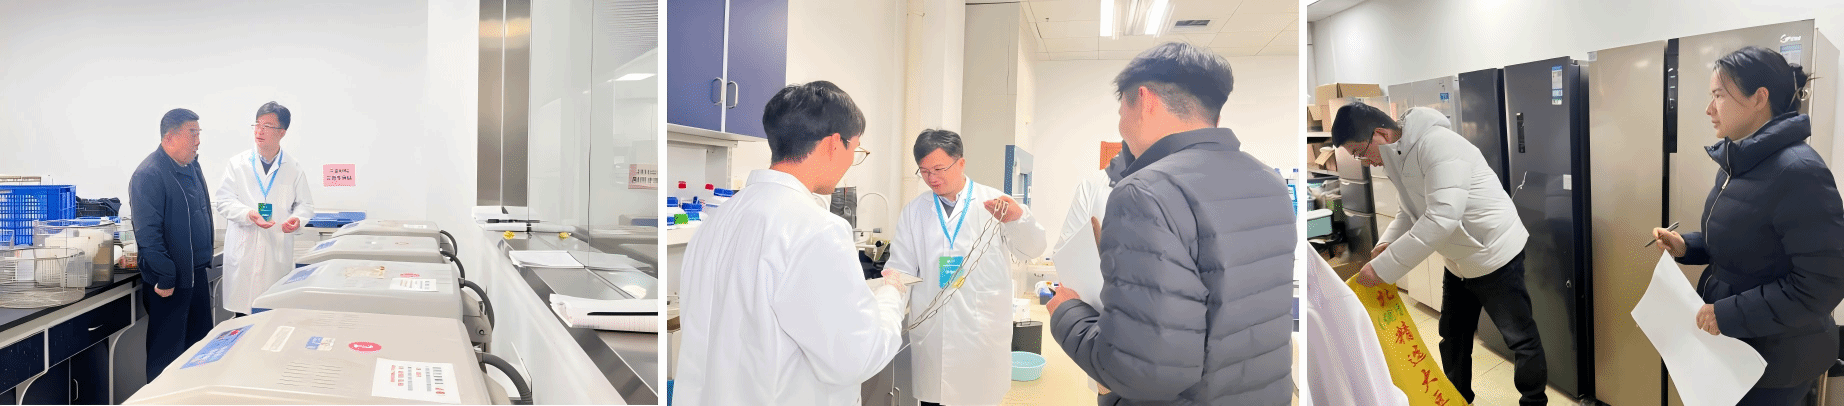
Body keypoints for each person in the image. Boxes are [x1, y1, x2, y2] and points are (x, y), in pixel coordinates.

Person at [1045, 41, 1295, 404]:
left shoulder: (1143, 192)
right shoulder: (1270, 182)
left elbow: (1141, 372)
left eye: (1121, 110)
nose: (1121, 125)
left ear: (1144, 100)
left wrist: (1066, 313)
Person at [675, 81, 908, 405]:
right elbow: (858, 356)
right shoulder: (819, 229)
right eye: (855, 150)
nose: (849, 163)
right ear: (833, 144)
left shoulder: (717, 221)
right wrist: (891, 296)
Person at [1651, 46, 1844, 405]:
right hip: (1737, 346)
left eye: (1719, 95)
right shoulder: (1740, 162)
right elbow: (1745, 244)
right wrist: (1686, 246)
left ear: (1759, 98)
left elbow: (1821, 285)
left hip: (1775, 363)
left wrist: (1727, 313)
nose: (1709, 109)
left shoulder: (1800, 171)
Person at [1329, 101, 1545, 405]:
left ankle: (1534, 402)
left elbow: (1442, 217)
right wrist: (1385, 245)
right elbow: (1409, 210)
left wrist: (1383, 268)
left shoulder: (1438, 145)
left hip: (1493, 254)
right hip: (1458, 259)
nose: (1363, 162)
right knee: (1453, 335)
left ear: (1380, 134)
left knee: (1520, 338)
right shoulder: (1396, 154)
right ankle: (1457, 399)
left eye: (1359, 152)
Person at [886, 129, 1046, 406]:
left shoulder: (996, 203)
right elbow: (900, 269)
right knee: (934, 400)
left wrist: (1018, 218)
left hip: (981, 335)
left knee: (978, 397)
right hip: (934, 335)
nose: (931, 178)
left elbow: (1033, 249)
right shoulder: (914, 211)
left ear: (960, 162)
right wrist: (886, 313)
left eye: (938, 169)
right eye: (924, 171)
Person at [129, 108, 216, 380]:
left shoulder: (191, 167)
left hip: (195, 274)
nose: (198, 141)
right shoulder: (149, 174)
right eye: (192, 134)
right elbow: (148, 233)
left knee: (199, 352)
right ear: (170, 137)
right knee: (168, 358)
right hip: (170, 283)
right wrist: (165, 275)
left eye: (199, 133)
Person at [213, 101, 315, 317]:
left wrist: (297, 219)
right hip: (245, 251)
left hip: (275, 253)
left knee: (272, 315)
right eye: (257, 124)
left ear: (282, 132)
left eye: (267, 126)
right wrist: (248, 214)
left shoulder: (293, 168)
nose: (259, 131)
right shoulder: (237, 164)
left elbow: (305, 204)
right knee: (243, 317)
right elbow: (224, 200)